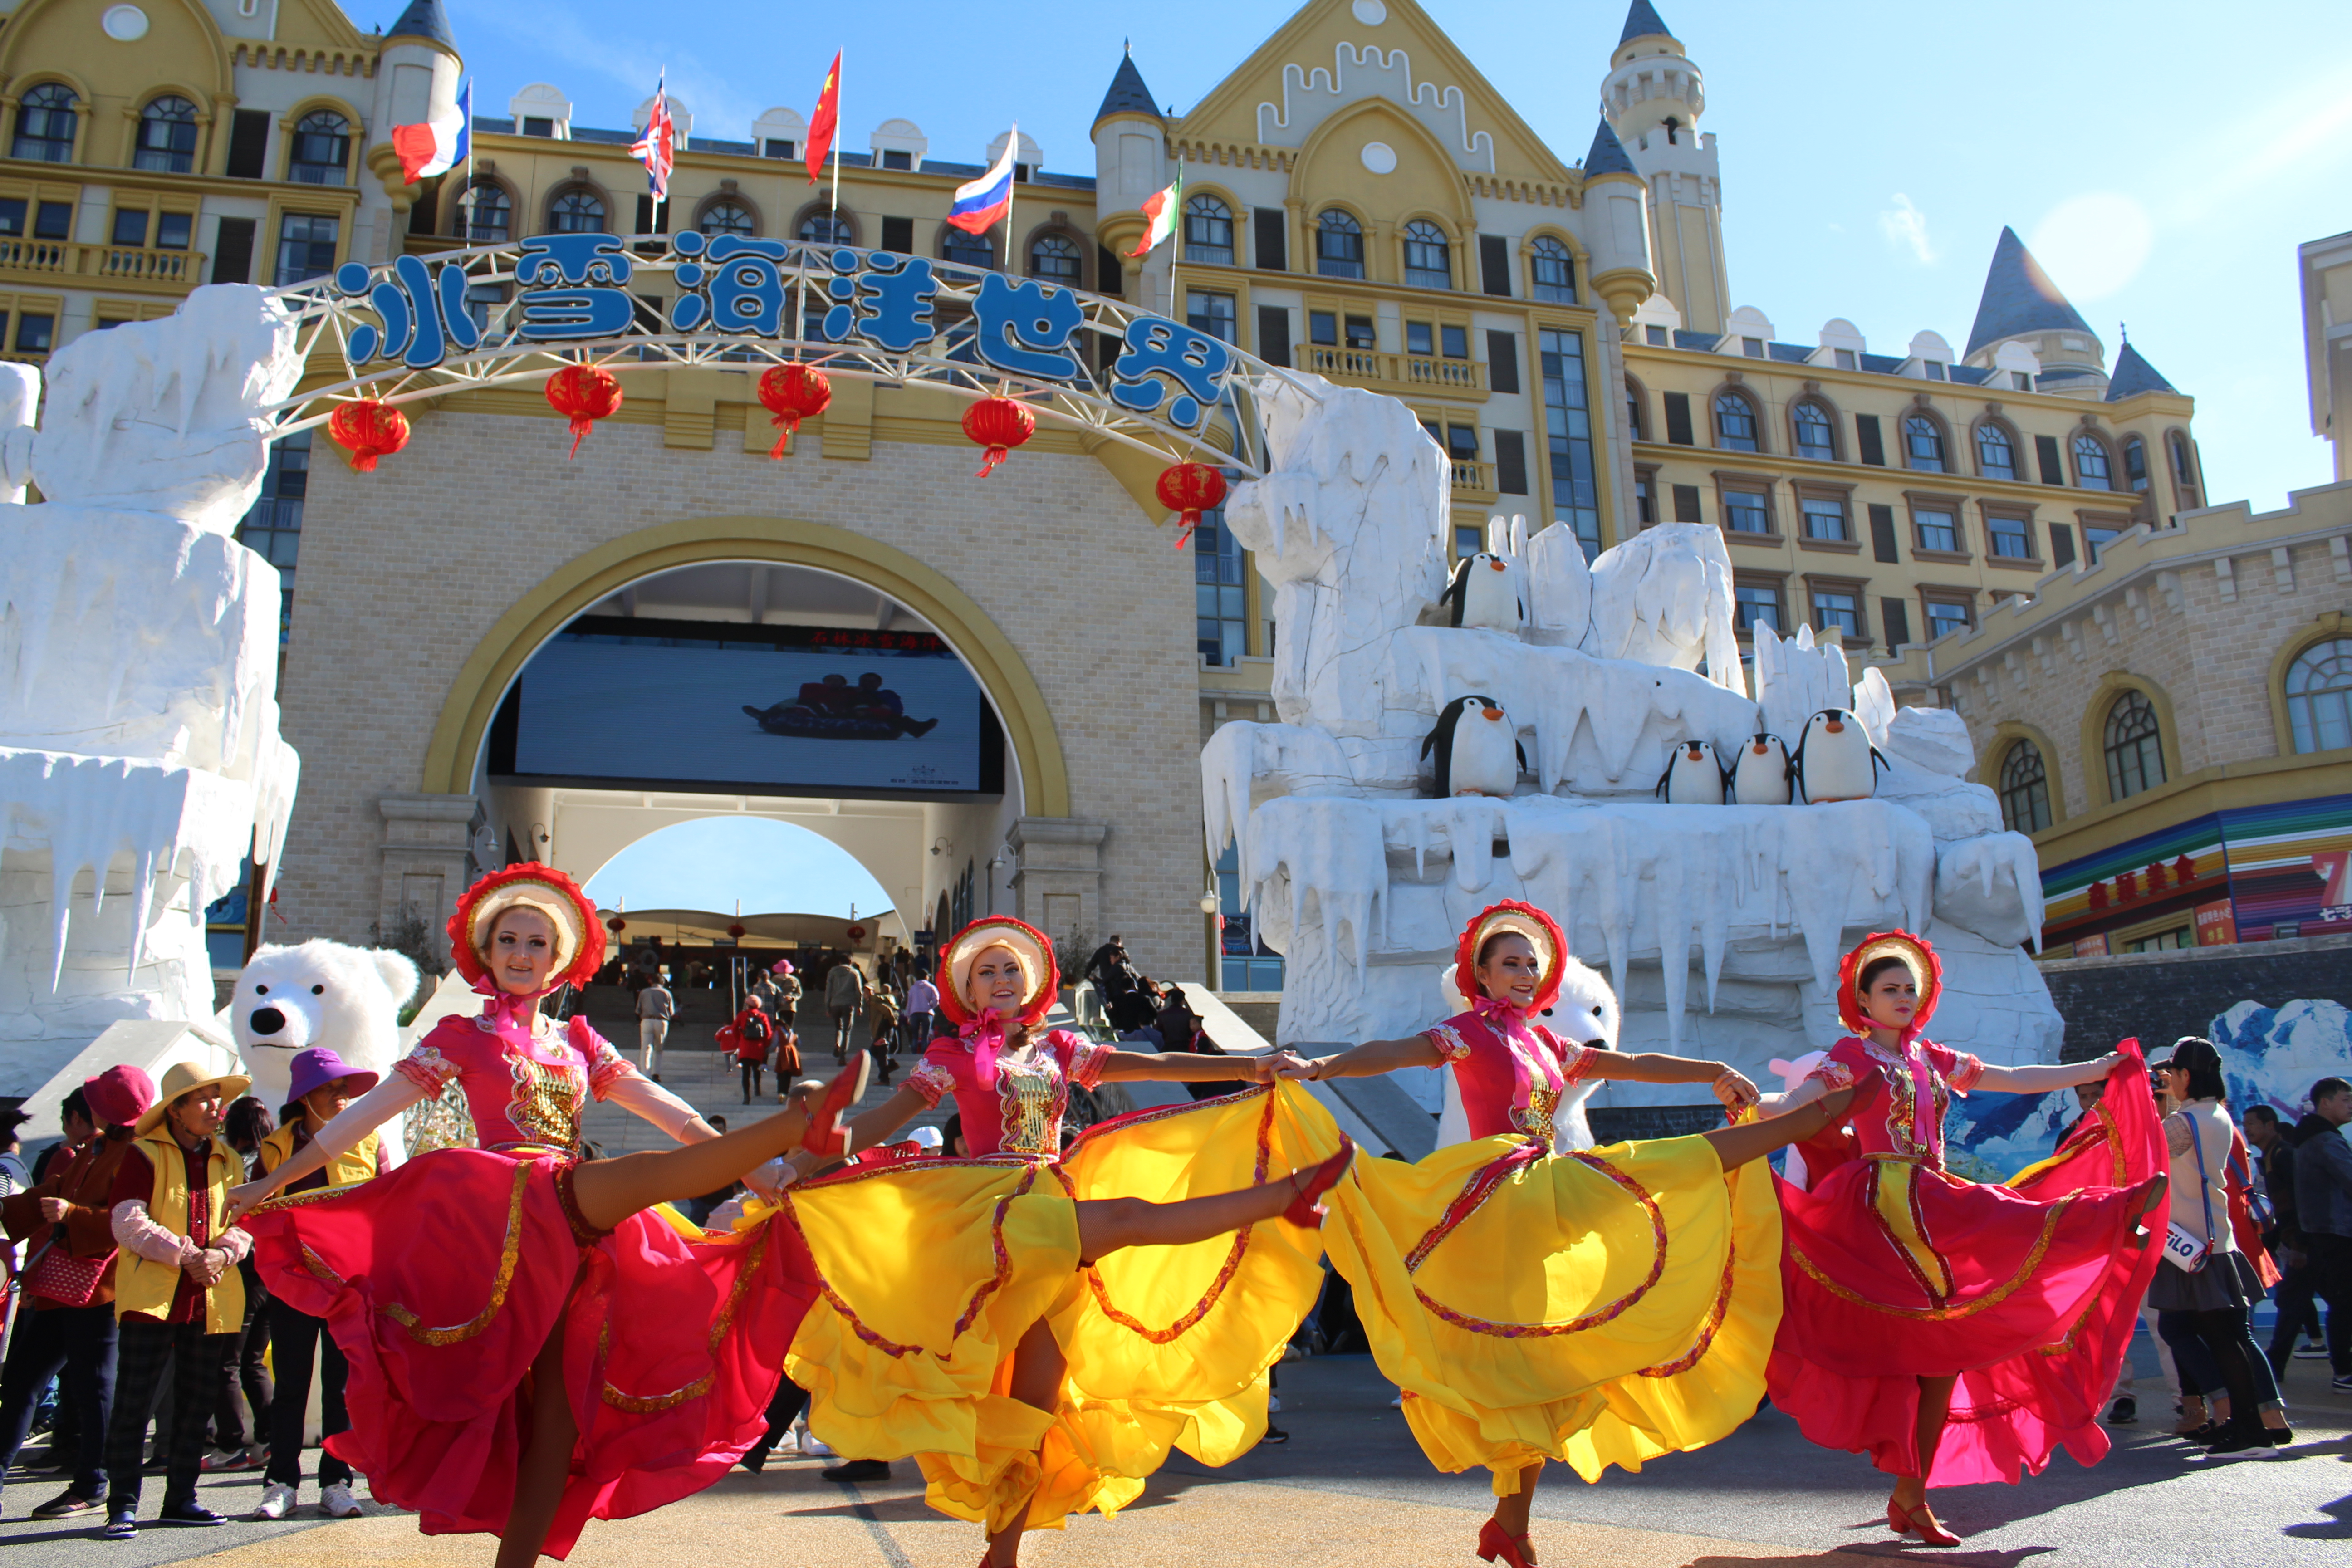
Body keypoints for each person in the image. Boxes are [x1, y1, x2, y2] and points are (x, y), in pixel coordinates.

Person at [225, 863, 854, 1567]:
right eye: (508, 941)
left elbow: (672, 1115)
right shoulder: (463, 1035)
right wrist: (278, 1178)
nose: (521, 955)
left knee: (557, 1421)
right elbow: (370, 1116)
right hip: (502, 1207)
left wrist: (763, 1182)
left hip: (572, 1227)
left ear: (560, 961)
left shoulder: (580, 1041)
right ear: (486, 954)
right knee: (639, 1179)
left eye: (536, 944)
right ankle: (795, 1127)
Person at [1275, 901, 1852, 1568]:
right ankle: (1778, 1131)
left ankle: (1510, 1525)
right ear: (1482, 976)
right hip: (1496, 1192)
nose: (1524, 973)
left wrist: (1709, 1072)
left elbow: (1632, 1063)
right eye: (1509, 964)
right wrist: (1321, 1069)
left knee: (1544, 1368)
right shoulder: (1464, 1032)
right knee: (1653, 1174)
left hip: (1545, 1189)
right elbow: (1392, 1055)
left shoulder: (1548, 1043)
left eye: (1531, 964)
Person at [774, 915, 1354, 1568]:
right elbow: (882, 1119)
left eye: (1010, 970)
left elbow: (1152, 1064)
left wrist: (1252, 1066)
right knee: (1132, 1218)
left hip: (1051, 1199)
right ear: (966, 988)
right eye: (985, 972)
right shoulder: (954, 1056)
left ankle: (1003, 1555)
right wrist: (797, 1165)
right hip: (995, 1215)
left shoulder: (1057, 1050)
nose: (999, 979)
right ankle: (1283, 1198)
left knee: (1034, 1409)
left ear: (1032, 983)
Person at [1759, 930, 2167, 1548]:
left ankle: (1911, 1498)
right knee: (2001, 1213)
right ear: (1863, 1002)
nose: (1902, 997)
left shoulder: (1931, 1058)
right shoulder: (1853, 1055)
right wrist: (1751, 1104)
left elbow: (2013, 1077)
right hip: (1882, 1205)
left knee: (1944, 1360)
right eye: (1889, 989)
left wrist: (2099, 1068)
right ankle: (2107, 1213)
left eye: (1909, 989)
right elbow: (1798, 1103)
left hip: (1929, 1198)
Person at [100, 1060, 258, 1539]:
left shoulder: (229, 1159)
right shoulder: (142, 1155)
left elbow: (246, 1223)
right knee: (135, 1401)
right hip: (152, 1297)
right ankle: (122, 1504)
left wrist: (221, 1254)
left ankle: (181, 1499)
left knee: (197, 1402)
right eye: (205, 1098)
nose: (218, 1107)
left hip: (212, 1297)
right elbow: (127, 1221)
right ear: (176, 1110)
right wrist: (187, 1254)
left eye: (219, 1097)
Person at [0, 1072, 148, 1524]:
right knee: (24, 1379)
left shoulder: (135, 1153)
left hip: (101, 1288)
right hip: (68, 1288)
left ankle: (94, 1483)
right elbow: (57, 1192)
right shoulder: (99, 1147)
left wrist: (71, 1213)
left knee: (92, 1388)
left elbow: (131, 1221)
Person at [250, 1049, 382, 1521]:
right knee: (291, 1384)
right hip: (294, 1285)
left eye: (345, 1087)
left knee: (342, 1387)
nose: (343, 1095)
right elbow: (259, 1214)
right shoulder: (275, 1148)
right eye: (331, 1087)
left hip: (351, 1286)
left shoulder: (369, 1141)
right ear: (306, 1096)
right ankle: (281, 1481)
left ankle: (337, 1481)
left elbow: (386, 1205)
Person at [2146, 1039, 2292, 1456]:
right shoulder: (2216, 1116)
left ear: (2186, 1076)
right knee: (2233, 1338)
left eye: (2171, 1073)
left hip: (2194, 1247)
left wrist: (2141, 1101)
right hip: (2216, 1243)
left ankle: (2249, 1431)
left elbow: (2140, 1150)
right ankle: (2255, 1426)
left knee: (2226, 1342)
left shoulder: (2185, 1124)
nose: (2166, 1080)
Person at [207, 1097, 275, 1474]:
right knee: (253, 1362)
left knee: (227, 1362)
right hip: (270, 1273)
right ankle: (267, 1440)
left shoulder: (232, 1165)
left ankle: (231, 1443)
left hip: (240, 1272)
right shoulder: (275, 1164)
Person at [2247, 1102, 2324, 1373]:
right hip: (2298, 1242)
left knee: (2291, 1300)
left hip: (2308, 1242)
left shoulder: (2284, 1156)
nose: (2247, 1130)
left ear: (2271, 1126)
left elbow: (2305, 1201)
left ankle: (2275, 1364)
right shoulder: (2269, 1157)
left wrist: (2301, 1245)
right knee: (2298, 1299)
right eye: (2245, 1125)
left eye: (2252, 1124)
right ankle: (2277, 1363)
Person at [2293, 1075, 2352, 1394]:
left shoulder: (2310, 1136)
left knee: (2340, 1303)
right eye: (2345, 1099)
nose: (2351, 1105)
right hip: (2339, 1233)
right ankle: (2344, 1372)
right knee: (2344, 1304)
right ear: (2325, 1103)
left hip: (2321, 1232)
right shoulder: (2325, 1140)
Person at [730, 995, 775, 1102]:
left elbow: (734, 1029)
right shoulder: (763, 1016)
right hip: (758, 1047)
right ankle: (757, 1088)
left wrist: (739, 1041)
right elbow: (769, 1033)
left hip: (745, 1046)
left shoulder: (742, 1015)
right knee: (756, 1069)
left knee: (746, 1073)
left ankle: (747, 1096)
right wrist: (766, 1045)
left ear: (748, 1005)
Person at [824, 956, 864, 1061]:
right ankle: (842, 1056)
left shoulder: (832, 973)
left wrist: (828, 1006)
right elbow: (859, 991)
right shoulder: (854, 973)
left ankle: (837, 1043)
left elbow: (828, 991)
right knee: (847, 1031)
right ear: (851, 963)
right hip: (848, 1004)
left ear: (839, 962)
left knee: (839, 1028)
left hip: (835, 1004)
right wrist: (860, 1005)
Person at [636, 975, 675, 1082]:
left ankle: (645, 1074)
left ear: (651, 982)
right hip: (661, 1021)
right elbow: (672, 1012)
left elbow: (638, 1009)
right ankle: (656, 1074)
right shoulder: (667, 993)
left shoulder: (644, 992)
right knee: (659, 1049)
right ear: (663, 983)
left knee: (646, 1048)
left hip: (647, 1020)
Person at [902, 970, 938, 1055]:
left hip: (915, 1013)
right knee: (925, 1035)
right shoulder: (931, 987)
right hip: (927, 1013)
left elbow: (909, 1002)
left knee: (915, 1036)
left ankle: (914, 1054)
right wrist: (930, 1007)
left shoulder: (913, 988)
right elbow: (936, 1000)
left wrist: (908, 1015)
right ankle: (923, 1054)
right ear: (926, 977)